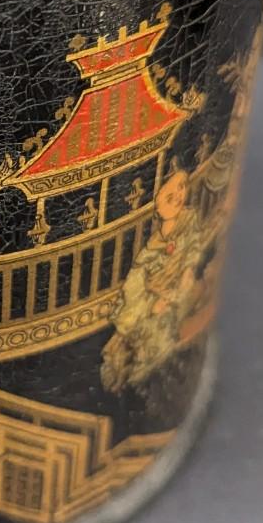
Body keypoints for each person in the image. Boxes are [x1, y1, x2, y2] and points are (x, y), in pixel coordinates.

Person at [101, 169, 204, 401]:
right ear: (158, 202)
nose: (178, 197)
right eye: (170, 194)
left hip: (177, 303)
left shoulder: (189, 221)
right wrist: (151, 307)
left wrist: (187, 271)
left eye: (182, 188)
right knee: (141, 351)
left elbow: (194, 247)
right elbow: (134, 289)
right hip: (153, 310)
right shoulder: (149, 251)